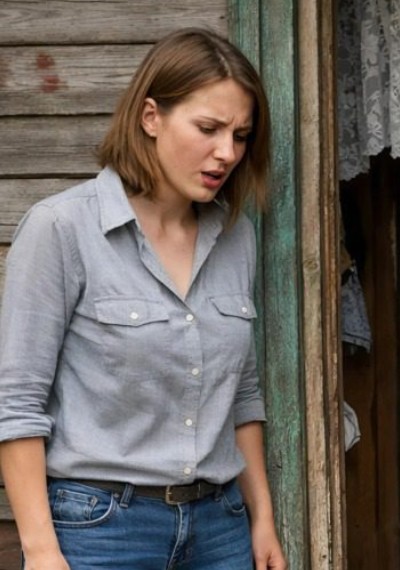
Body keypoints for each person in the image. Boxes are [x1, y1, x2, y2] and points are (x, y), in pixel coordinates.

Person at [0, 27, 286, 569]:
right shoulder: (61, 228)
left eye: (241, 135)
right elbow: (15, 405)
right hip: (102, 531)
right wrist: (40, 550)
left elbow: (242, 396)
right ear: (151, 117)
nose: (227, 153)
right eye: (208, 128)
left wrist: (262, 518)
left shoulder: (235, 236)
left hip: (221, 530)